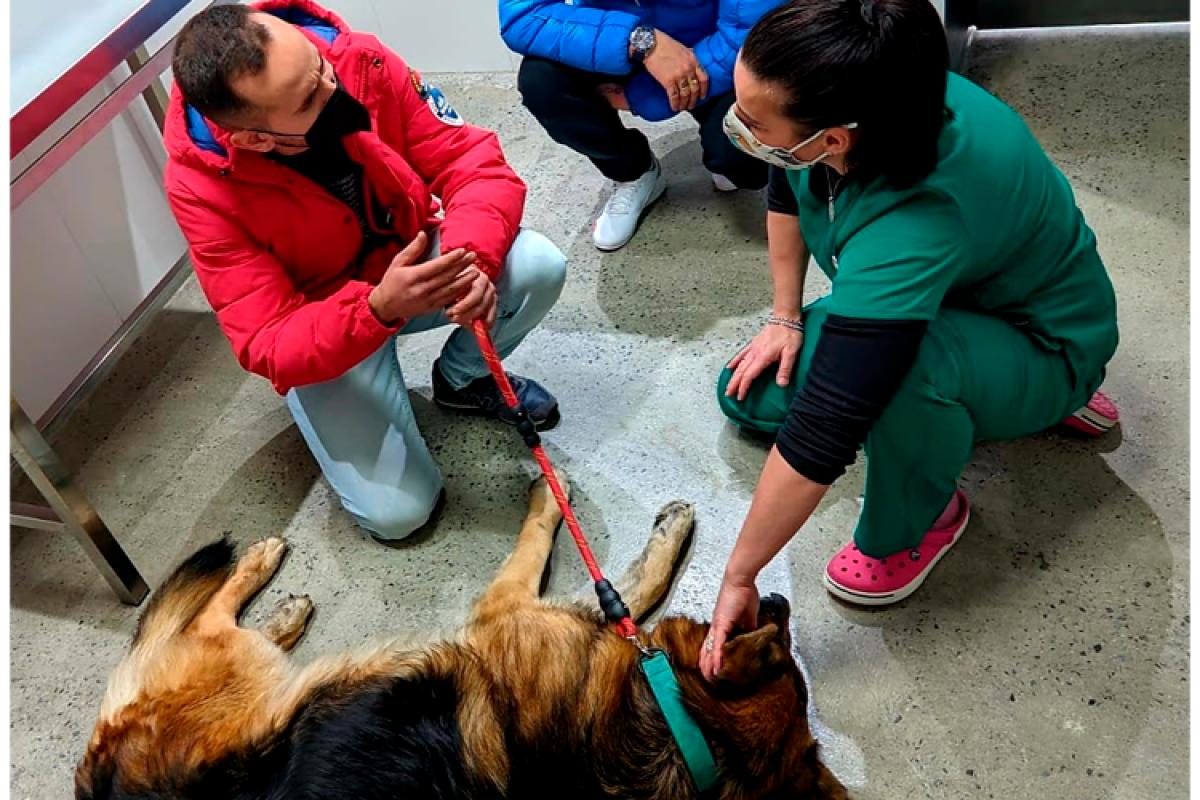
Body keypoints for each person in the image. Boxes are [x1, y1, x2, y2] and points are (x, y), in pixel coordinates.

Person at [700, 0, 1120, 676]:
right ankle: (969, 400)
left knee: (892, 378)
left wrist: (740, 575)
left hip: (1043, 341)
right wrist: (785, 316)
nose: (736, 125)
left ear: (835, 139)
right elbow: (787, 178)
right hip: (953, 298)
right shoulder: (879, 89)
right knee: (747, 395)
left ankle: (923, 519)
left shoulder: (917, 215)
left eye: (752, 121)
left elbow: (827, 427)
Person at [165, 1, 567, 542]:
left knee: (538, 265)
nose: (334, 88)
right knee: (400, 516)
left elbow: (468, 161)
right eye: (309, 98)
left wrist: (470, 259)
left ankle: (463, 380)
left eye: (320, 65)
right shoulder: (200, 188)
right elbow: (265, 339)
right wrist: (376, 310)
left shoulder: (360, 61)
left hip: (410, 260)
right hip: (333, 320)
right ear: (254, 139)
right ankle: (346, 402)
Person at [500, 0, 783, 251]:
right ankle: (633, 172)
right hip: (617, 45)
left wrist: (645, 95)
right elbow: (523, 14)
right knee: (542, 82)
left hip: (713, 50)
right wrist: (641, 41)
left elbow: (748, 35)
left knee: (746, 162)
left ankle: (723, 155)